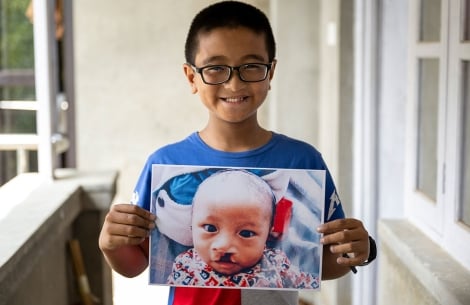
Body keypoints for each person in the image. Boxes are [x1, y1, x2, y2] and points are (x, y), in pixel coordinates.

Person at [98, 1, 375, 305]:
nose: (234, 82)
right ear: (192, 77)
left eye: (251, 67)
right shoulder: (165, 164)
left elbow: (321, 261)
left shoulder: (303, 161)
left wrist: (356, 251)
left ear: (271, 73)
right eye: (215, 68)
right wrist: (110, 244)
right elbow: (136, 263)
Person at [166, 169, 319, 289]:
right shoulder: (185, 264)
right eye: (210, 228)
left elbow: (310, 280)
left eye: (246, 233)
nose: (224, 246)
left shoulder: (276, 263)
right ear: (191, 225)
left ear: (268, 233)